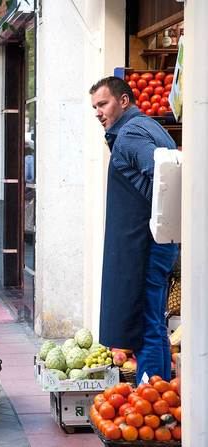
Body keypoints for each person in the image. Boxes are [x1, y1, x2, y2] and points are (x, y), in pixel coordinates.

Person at [90, 76, 179, 384]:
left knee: (144, 323)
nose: (98, 112)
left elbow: (160, 173)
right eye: (95, 107)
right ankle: (162, 395)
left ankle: (151, 396)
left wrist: (157, 224)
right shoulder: (150, 126)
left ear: (124, 101)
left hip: (143, 246)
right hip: (157, 241)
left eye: (103, 104)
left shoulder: (130, 134)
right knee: (152, 322)